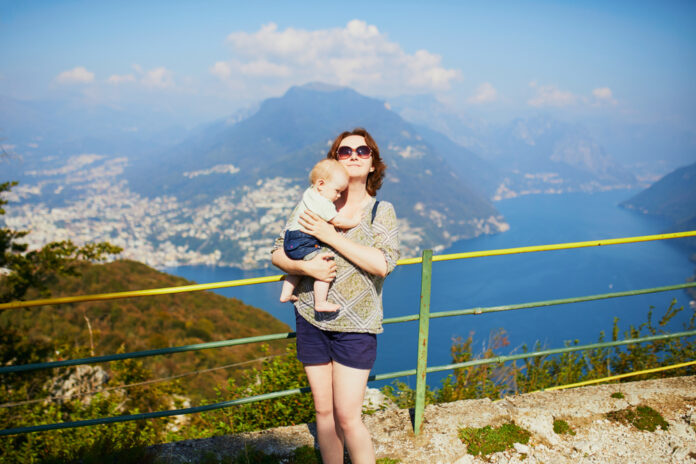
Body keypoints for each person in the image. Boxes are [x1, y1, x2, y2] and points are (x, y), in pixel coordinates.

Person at [271, 128, 399, 464]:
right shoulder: (315, 200)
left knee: (347, 417)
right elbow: (277, 252)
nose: (354, 155)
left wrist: (332, 235)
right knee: (323, 413)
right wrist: (309, 270)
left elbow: (383, 264)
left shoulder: (379, 211)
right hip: (312, 318)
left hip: (356, 326)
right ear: (335, 159)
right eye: (345, 151)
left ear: (373, 163)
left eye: (363, 150)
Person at [279, 158, 361, 312]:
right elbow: (337, 221)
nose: (338, 196)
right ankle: (321, 302)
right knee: (323, 268)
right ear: (321, 184)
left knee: (299, 267)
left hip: (291, 239)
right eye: (337, 191)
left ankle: (286, 293)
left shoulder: (309, 194)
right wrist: (354, 221)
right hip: (304, 239)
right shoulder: (322, 202)